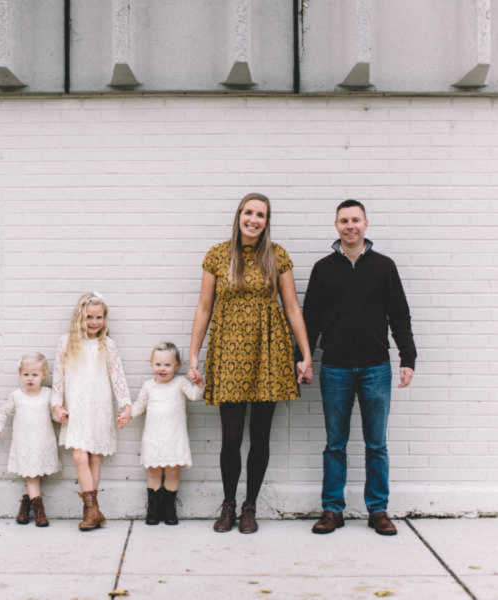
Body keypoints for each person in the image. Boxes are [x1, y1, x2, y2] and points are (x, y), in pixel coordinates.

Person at [188, 193, 312, 534]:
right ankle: (228, 503)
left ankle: (249, 506)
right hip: (228, 351)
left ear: (266, 221)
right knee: (230, 436)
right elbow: (203, 308)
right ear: (239, 215)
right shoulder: (217, 255)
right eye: (249, 212)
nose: (254, 219)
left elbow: (292, 308)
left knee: (260, 435)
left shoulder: (276, 255)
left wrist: (305, 354)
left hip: (269, 353)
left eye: (261, 215)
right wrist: (194, 355)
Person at [303, 199, 416, 536]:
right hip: (335, 367)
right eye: (343, 221)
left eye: (355, 220)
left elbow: (400, 316)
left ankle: (378, 510)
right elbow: (310, 319)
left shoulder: (384, 266)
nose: (350, 226)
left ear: (365, 224)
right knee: (335, 443)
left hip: (375, 368)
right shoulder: (323, 268)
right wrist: (304, 357)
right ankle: (332, 510)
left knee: (376, 444)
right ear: (336, 226)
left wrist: (407, 359)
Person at [51, 292, 132, 531]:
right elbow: (58, 378)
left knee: (95, 457)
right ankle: (92, 510)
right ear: (80, 317)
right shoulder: (66, 343)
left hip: (99, 406)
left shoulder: (107, 344)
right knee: (79, 456)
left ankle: (91, 512)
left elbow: (118, 377)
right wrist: (57, 405)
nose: (94, 322)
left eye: (99, 317)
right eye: (89, 317)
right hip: (76, 407)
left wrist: (125, 405)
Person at [129, 342, 203, 526]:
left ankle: (169, 509)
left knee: (172, 471)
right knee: (153, 472)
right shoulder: (148, 386)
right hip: (153, 438)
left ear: (177, 365)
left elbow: (195, 396)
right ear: (152, 364)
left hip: (174, 437)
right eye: (158, 364)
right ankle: (153, 510)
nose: (162, 369)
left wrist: (199, 384)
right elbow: (139, 406)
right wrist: (126, 414)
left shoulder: (180, 383)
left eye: (167, 365)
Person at [0, 352, 61, 527]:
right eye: (26, 374)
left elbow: (55, 415)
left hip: (43, 443)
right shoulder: (17, 396)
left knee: (35, 476)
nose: (30, 378)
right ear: (20, 375)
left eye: (35, 375)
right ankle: (40, 513)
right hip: (24, 444)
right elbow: (3, 412)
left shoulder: (48, 394)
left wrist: (63, 417)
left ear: (43, 375)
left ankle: (24, 508)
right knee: (32, 477)